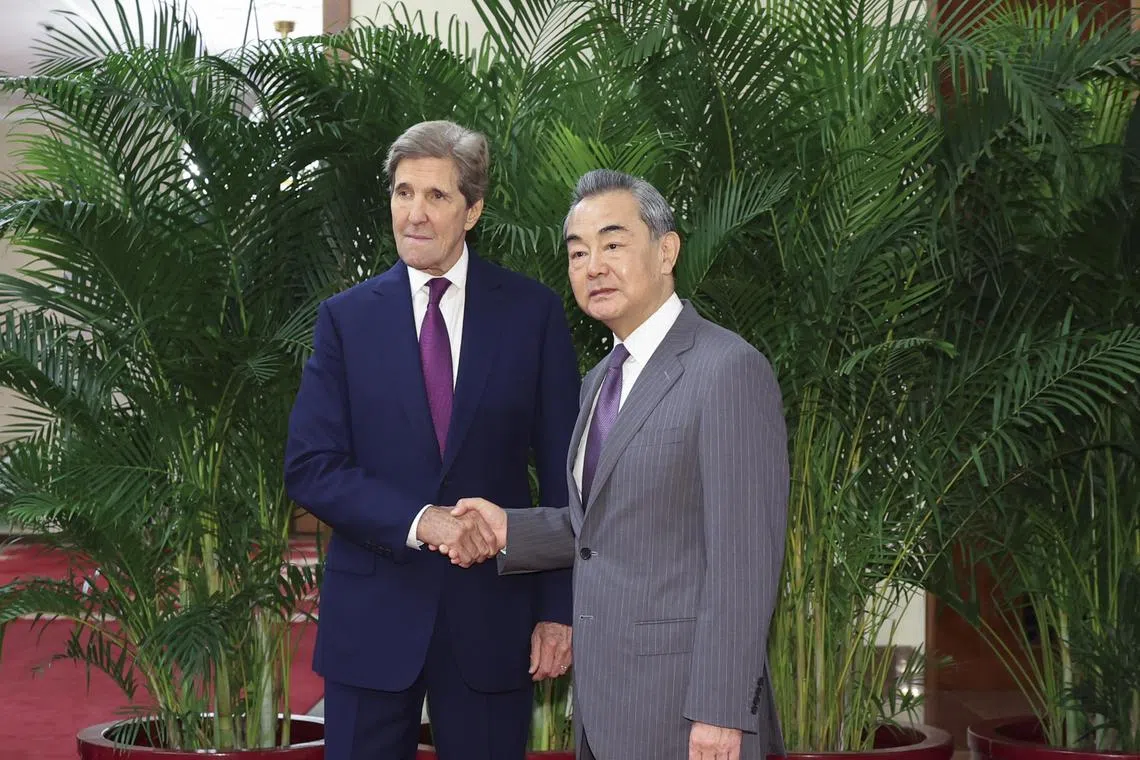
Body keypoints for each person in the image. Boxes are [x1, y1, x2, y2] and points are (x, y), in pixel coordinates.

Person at [438, 169, 790, 760]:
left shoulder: (727, 370)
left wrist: (721, 713)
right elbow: (600, 528)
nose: (593, 266)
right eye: (578, 253)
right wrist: (510, 529)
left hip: (689, 715)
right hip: (606, 707)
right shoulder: (601, 380)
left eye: (612, 243)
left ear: (667, 250)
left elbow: (744, 563)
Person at [284, 120, 579, 760]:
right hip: (373, 619)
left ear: (472, 209)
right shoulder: (345, 320)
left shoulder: (532, 314)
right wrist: (424, 522)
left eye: (437, 196)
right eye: (403, 192)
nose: (414, 213)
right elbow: (311, 467)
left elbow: (564, 474)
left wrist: (559, 609)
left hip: (494, 621)